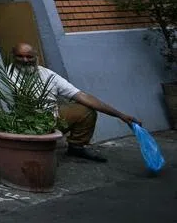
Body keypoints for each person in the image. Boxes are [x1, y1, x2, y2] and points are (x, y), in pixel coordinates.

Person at [8, 42, 140, 162]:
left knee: (85, 110)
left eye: (29, 57)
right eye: (20, 56)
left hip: (52, 119)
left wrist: (120, 115)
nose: (25, 60)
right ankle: (36, 153)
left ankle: (76, 148)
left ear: (36, 57)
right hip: (25, 124)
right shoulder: (6, 76)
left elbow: (81, 95)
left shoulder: (47, 74)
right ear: (13, 56)